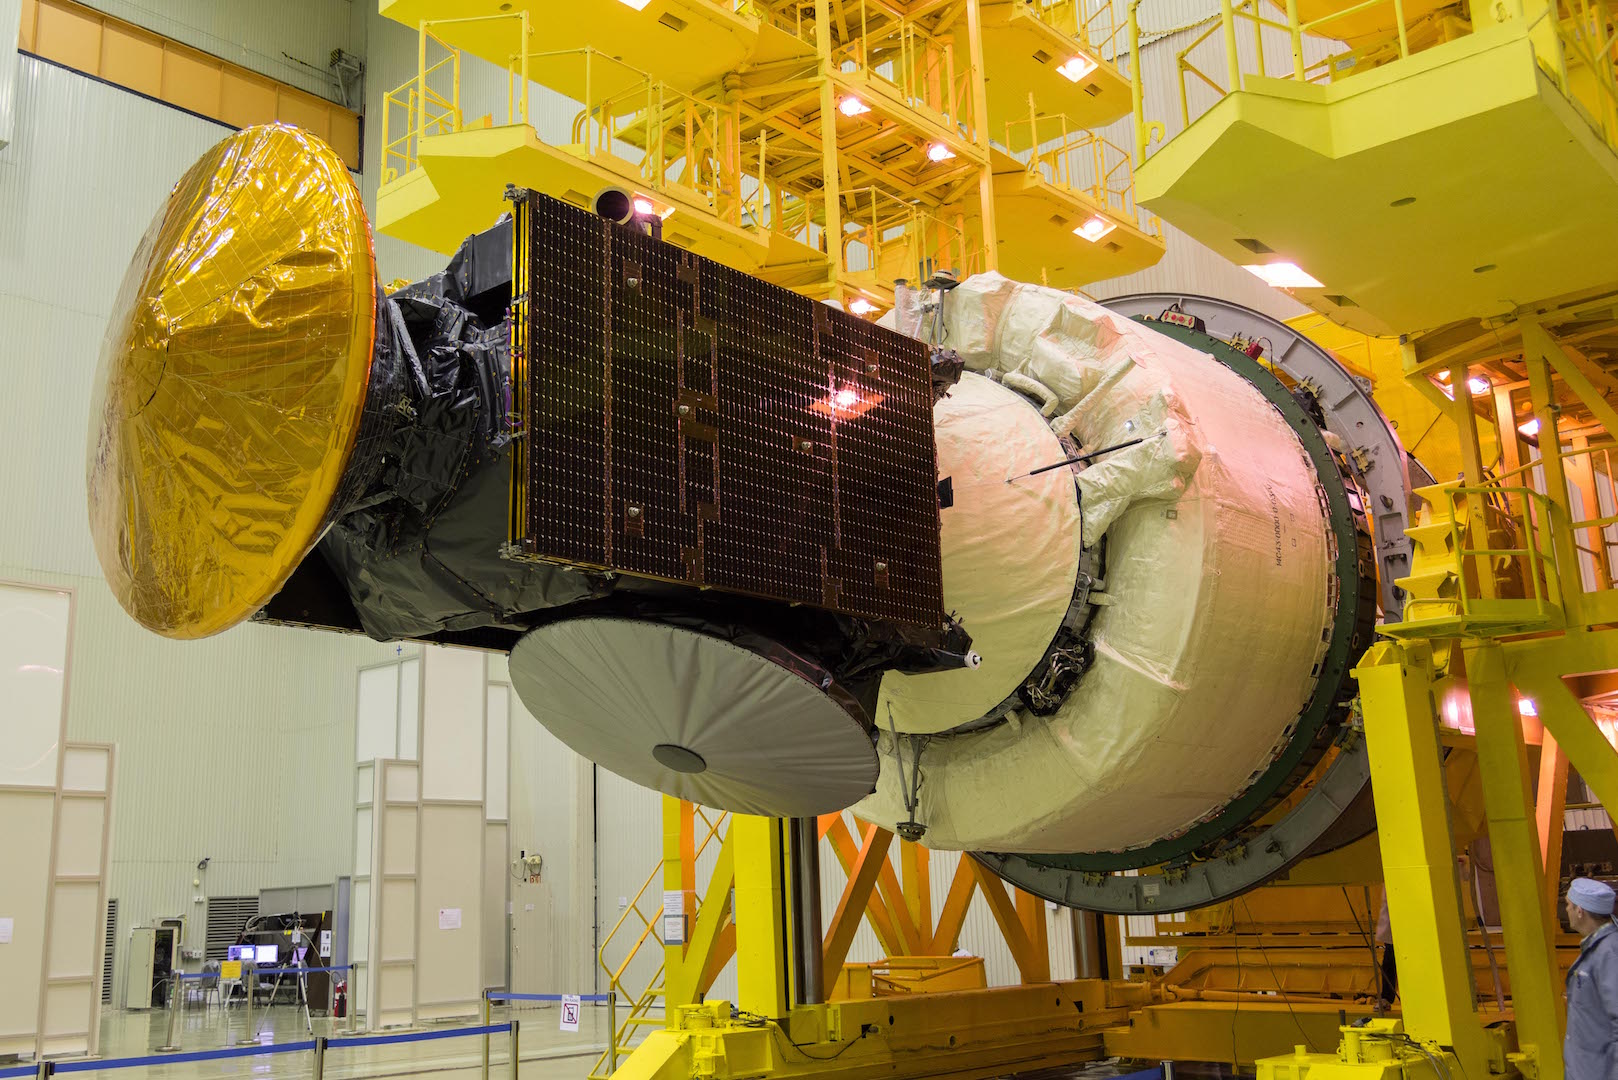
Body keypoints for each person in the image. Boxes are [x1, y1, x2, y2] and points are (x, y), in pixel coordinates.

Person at [1564, 877, 1618, 1080]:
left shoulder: (1609, 953)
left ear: (1580, 911)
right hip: (1587, 1070)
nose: (1566, 909)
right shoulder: (1596, 949)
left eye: (1568, 904)